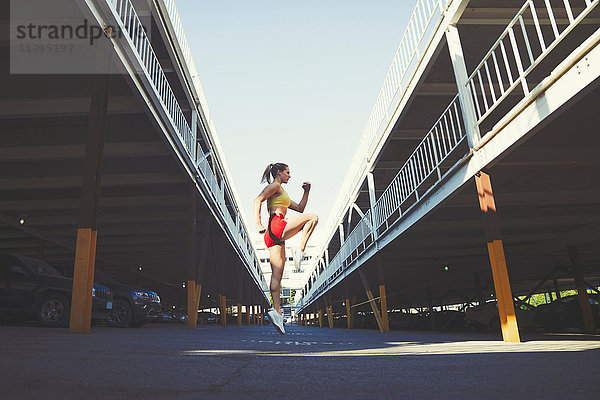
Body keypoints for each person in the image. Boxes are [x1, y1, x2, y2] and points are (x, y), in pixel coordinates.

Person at [254, 163, 318, 334]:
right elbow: (257, 199)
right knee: (313, 218)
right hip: (275, 224)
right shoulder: (275, 186)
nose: (290, 176)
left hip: (273, 235)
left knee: (277, 275)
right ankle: (300, 249)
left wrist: (306, 191)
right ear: (279, 173)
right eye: (288, 173)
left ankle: (277, 313)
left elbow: (300, 208)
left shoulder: (283, 194)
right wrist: (258, 223)